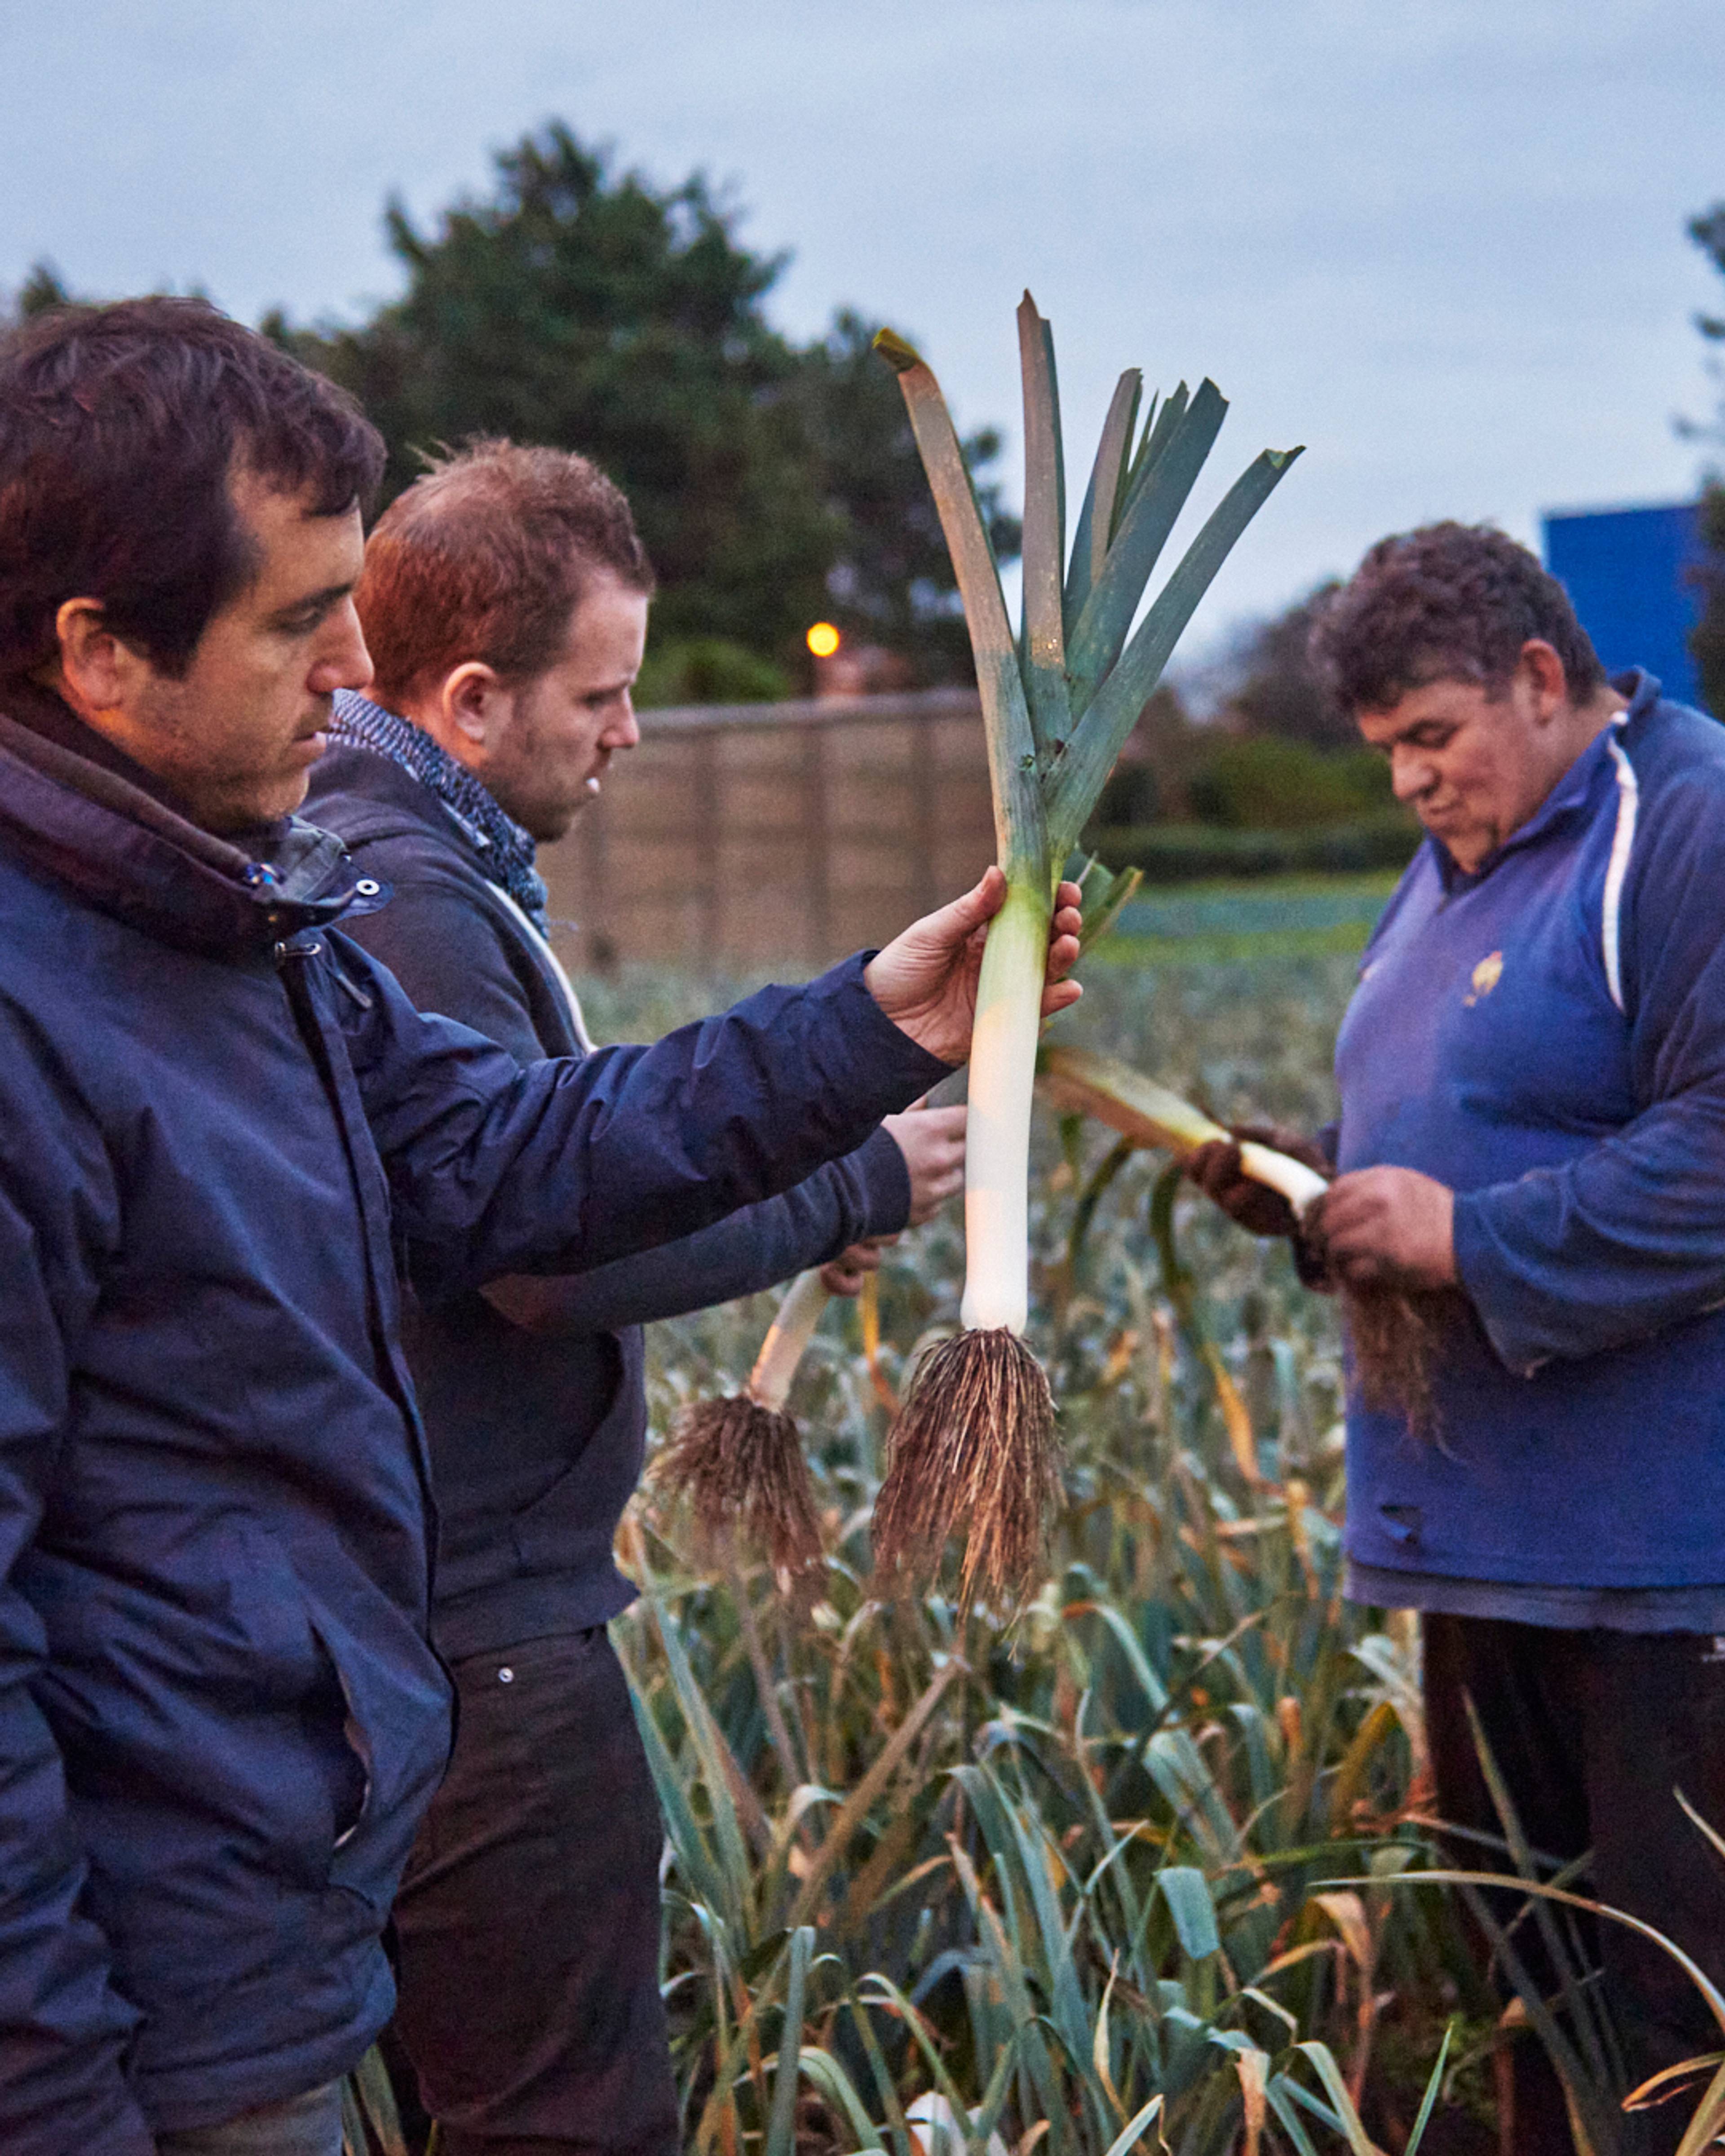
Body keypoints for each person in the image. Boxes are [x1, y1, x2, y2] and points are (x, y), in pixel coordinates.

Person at [0, 296, 1081, 2156]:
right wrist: (53, 2094)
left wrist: (871, 1026)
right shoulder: (39, 1002)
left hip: (270, 1913)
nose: (359, 669)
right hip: (137, 1995)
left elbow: (509, 1154)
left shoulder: (243, 923)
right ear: (99, 652)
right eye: (295, 619)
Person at [302, 440, 966, 2156]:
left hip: (417, 1628)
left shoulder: (377, 859)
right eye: (602, 695)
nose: (632, 733)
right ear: (466, 700)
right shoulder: (410, 903)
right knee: (563, 2119)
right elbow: (546, 1248)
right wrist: (856, 1178)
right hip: (482, 1649)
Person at [1190, 521, 1725, 2154]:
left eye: (1433, 736)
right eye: (1387, 755)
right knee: (1535, 2001)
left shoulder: (1685, 822)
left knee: (1681, 2029)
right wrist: (1316, 1189)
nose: (1412, 783)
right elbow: (1457, 1130)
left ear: (1543, 679)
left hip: (1665, 1565)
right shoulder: (1460, 864)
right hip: (1480, 1543)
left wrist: (1472, 1240)